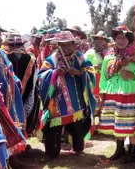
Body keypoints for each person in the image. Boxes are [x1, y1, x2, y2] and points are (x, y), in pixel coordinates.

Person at [38, 31, 96, 159]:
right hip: (57, 104)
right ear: (58, 45)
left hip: (76, 102)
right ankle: (52, 153)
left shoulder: (80, 57)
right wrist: (54, 73)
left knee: (77, 127)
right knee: (53, 128)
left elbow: (91, 72)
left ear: (73, 44)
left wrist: (78, 72)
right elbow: (41, 76)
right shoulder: (52, 59)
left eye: (69, 45)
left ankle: (78, 148)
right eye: (63, 45)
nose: (66, 48)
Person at [0, 18, 27, 168]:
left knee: (9, 129)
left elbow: (9, 68)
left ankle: (12, 161)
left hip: (5, 100)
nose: (0, 38)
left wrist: (14, 80)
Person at [98, 24, 135, 163]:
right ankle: (120, 150)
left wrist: (133, 75)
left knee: (131, 124)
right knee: (118, 123)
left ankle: (133, 152)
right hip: (112, 94)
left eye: (124, 38)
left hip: (129, 93)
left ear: (129, 40)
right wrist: (101, 92)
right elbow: (103, 76)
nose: (121, 40)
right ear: (115, 39)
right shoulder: (108, 57)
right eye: (119, 37)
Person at [2, 33, 40, 135]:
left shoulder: (4, 58)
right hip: (27, 93)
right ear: (21, 44)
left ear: (9, 45)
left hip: (8, 94)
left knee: (10, 115)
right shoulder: (31, 59)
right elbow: (35, 80)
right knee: (23, 115)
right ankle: (23, 138)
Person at [84, 30, 110, 116]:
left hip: (107, 79)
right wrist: (94, 67)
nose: (99, 41)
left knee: (105, 100)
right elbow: (83, 65)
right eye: (97, 39)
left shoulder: (110, 52)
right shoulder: (90, 52)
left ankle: (103, 121)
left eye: (101, 39)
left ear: (105, 41)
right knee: (95, 101)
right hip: (94, 79)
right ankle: (93, 123)